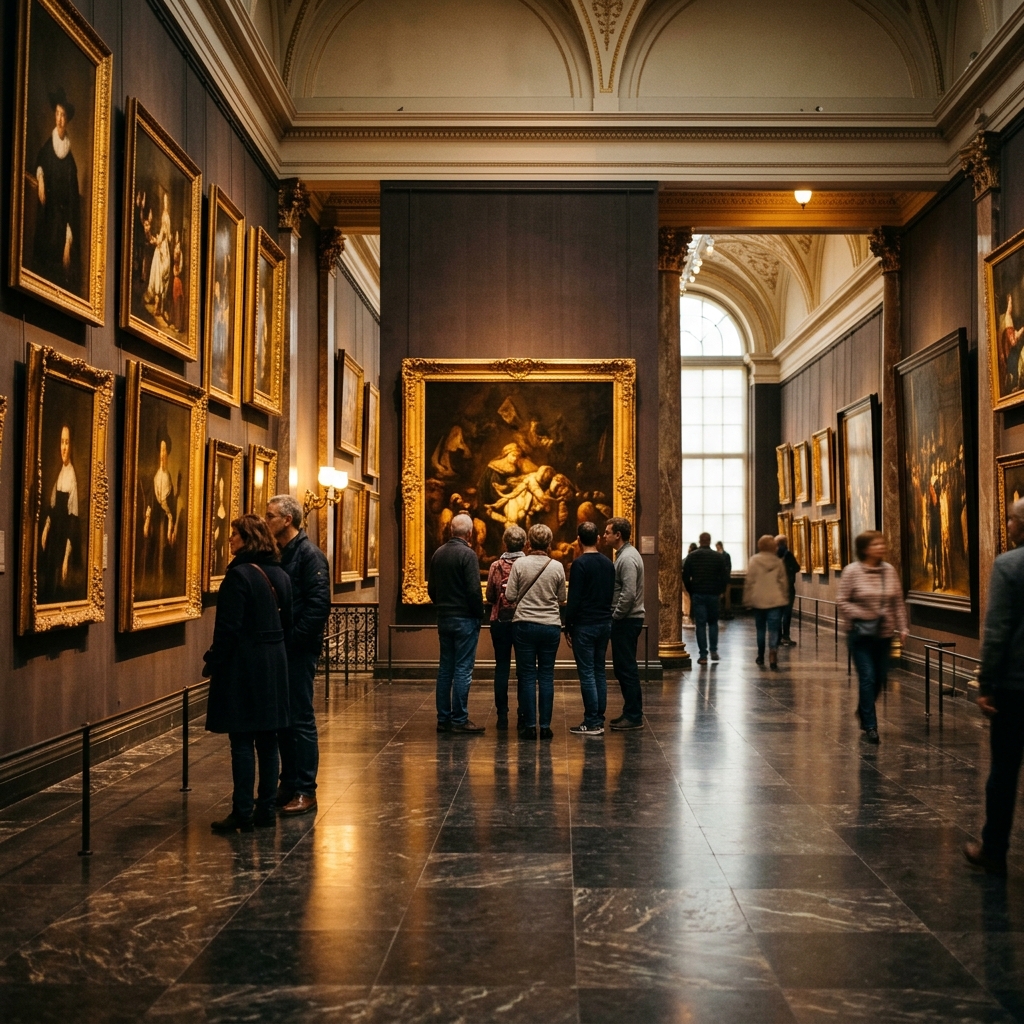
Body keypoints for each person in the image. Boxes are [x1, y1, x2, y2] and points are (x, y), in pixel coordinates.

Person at [204, 515, 292, 833]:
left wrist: (214, 661)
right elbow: (289, 621)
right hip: (274, 663)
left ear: (248, 538)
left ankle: (242, 812)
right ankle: (266, 809)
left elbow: (228, 628)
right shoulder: (280, 574)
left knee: (241, 741)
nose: (230, 540)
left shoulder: (239, 576)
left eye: (235, 534)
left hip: (245, 665)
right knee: (269, 741)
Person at [964, 498, 1024, 876]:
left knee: (1004, 769)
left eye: (1012, 519)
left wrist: (986, 683)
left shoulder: (1009, 565)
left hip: (1016, 686)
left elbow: (998, 630)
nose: (1009, 523)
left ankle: (994, 850)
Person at [266, 495, 330, 815]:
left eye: (270, 516)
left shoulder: (309, 555)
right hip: (282, 649)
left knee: (301, 719)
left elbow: (317, 608)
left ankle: (306, 788)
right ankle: (288, 782)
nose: (267, 522)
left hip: (298, 650)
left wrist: (292, 641)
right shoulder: (280, 554)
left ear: (287, 520)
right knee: (283, 721)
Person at [837, 530, 907, 745]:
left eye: (882, 543)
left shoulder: (889, 571)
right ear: (865, 548)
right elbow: (842, 600)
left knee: (880, 679)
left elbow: (897, 601)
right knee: (867, 677)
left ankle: (863, 709)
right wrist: (863, 614)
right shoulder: (852, 571)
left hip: (884, 634)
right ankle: (870, 725)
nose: (882, 547)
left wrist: (903, 627)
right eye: (876, 544)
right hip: (860, 635)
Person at [507, 523, 567, 740]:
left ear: (528, 543)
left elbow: (511, 595)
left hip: (524, 624)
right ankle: (546, 726)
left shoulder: (520, 564)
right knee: (547, 676)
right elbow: (561, 598)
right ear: (549, 544)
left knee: (527, 676)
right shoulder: (557, 566)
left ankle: (530, 726)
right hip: (550, 625)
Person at [428, 512, 486, 733]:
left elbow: (432, 589)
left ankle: (443, 719)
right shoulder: (468, 555)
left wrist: (443, 605)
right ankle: (459, 719)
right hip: (465, 619)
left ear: (451, 531)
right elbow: (473, 590)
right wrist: (478, 613)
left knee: (445, 669)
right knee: (462, 669)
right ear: (470, 533)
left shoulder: (438, 554)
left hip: (444, 618)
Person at [564, 521, 614, 737]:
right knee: (599, 671)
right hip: (604, 622)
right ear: (599, 539)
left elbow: (573, 599)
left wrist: (568, 625)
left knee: (587, 673)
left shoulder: (579, 564)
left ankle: (592, 722)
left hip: (585, 624)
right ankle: (599, 718)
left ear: (578, 539)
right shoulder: (608, 563)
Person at [33, 88, 81, 294]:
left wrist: (69, 238)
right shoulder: (47, 147)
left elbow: (73, 201)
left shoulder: (70, 162)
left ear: (67, 120)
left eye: (64, 115)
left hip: (62, 221)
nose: (60, 119)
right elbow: (40, 163)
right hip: (46, 214)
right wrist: (41, 177)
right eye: (57, 114)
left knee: (60, 268)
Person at [604, 517, 645, 730]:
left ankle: (634, 715)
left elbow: (628, 594)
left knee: (626, 668)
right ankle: (630, 712)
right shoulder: (625, 555)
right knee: (624, 668)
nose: (604, 535)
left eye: (608, 532)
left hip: (627, 620)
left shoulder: (627, 558)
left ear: (618, 535)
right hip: (627, 619)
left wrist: (615, 616)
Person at [485, 524, 527, 730]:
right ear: (524, 543)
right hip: (523, 620)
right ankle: (522, 711)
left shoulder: (496, 566)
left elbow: (491, 596)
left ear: (505, 543)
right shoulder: (528, 564)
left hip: (499, 621)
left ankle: (502, 713)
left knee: (501, 667)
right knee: (523, 669)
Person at [39, 424, 81, 604]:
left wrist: (66, 557)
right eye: (62, 442)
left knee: (56, 586)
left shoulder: (72, 476)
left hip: (63, 539)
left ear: (71, 446)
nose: (63, 447)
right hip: (54, 536)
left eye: (67, 442)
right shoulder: (59, 472)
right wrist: (46, 527)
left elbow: (73, 521)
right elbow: (53, 506)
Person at [743, 535, 790, 670]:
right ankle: (773, 653)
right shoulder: (778, 562)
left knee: (761, 629)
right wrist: (785, 597)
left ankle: (760, 654)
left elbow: (750, 582)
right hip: (775, 600)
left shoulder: (754, 560)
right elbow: (783, 582)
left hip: (759, 600)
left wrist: (747, 599)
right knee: (774, 629)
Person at [682, 532, 727, 665]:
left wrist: (691, 590)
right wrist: (720, 590)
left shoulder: (692, 556)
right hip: (713, 593)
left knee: (700, 624)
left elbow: (685, 576)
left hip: (698, 593)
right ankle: (713, 650)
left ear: (699, 541)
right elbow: (724, 577)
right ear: (710, 541)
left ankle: (703, 655)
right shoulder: (717, 557)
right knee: (713, 623)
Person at [776, 534, 799, 645]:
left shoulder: (774, 555)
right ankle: (786, 636)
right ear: (785, 543)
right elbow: (797, 567)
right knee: (787, 613)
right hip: (788, 588)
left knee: (778, 614)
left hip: (777, 588)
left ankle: (778, 637)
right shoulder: (787, 554)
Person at [716, 541, 734, 618]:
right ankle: (720, 611)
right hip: (720, 579)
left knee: (726, 596)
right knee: (720, 596)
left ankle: (727, 611)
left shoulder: (726, 555)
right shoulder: (717, 555)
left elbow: (729, 567)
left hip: (725, 578)